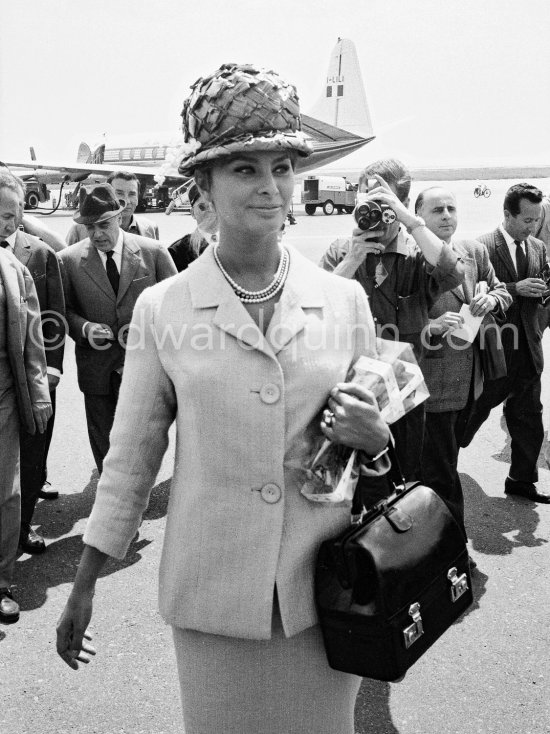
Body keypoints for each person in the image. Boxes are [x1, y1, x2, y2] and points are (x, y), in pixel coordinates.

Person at [56, 63, 391, 734]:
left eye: (281, 167)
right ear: (202, 186)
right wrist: (85, 579)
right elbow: (131, 459)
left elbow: (377, 452)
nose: (269, 187)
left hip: (325, 595)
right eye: (244, 170)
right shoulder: (164, 308)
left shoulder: (345, 300)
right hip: (214, 598)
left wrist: (376, 439)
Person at [320, 159, 465, 481]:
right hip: (348, 392)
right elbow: (318, 307)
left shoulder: (418, 254)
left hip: (402, 394)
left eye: (380, 201)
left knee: (401, 481)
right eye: (364, 199)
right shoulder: (342, 250)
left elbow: (453, 272)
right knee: (343, 484)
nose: (369, 209)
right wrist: (353, 258)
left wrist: (412, 221)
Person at [58, 184, 176, 474]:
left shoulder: (154, 253)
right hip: (96, 368)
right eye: (90, 227)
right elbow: (63, 311)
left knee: (142, 436)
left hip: (143, 365)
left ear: (120, 217)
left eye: (104, 224)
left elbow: (176, 306)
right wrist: (84, 328)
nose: (97, 234)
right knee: (103, 437)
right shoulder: (69, 261)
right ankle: (112, 492)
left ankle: (137, 489)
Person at [415, 186, 511, 537]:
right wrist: (431, 326)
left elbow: (500, 289)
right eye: (437, 209)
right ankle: (451, 549)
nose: (445, 215)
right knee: (442, 472)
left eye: (451, 209)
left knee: (447, 461)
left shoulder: (474, 251)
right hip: (433, 384)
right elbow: (395, 320)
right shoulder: (413, 259)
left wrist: (494, 302)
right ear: (419, 217)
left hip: (472, 381)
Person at [460, 183, 550, 503]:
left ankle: (521, 480)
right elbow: (476, 296)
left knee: (528, 418)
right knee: (473, 411)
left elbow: (542, 291)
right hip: (494, 352)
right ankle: (442, 455)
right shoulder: (483, 246)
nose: (532, 226)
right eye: (526, 220)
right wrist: (515, 287)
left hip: (528, 349)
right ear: (507, 215)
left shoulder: (538, 248)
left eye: (536, 220)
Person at [0, 173, 66, 554]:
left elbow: (53, 318)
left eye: (13, 215)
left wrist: (53, 368)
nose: (7, 223)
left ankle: (22, 528)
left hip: (35, 376)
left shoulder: (39, 254)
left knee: (30, 457)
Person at [0, 239, 52, 623]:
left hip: (4, 392)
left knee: (5, 490)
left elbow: (34, 337)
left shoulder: (13, 268)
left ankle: (1, 582)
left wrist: (38, 394)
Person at [65, 172, 159, 245]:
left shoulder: (150, 228)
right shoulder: (78, 230)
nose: (127, 201)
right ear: (107, 195)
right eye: (119, 193)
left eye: (132, 194)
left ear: (138, 197)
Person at [167, 181, 217, 271]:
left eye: (215, 205)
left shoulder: (241, 244)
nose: (211, 210)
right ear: (193, 213)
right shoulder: (178, 251)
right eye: (203, 206)